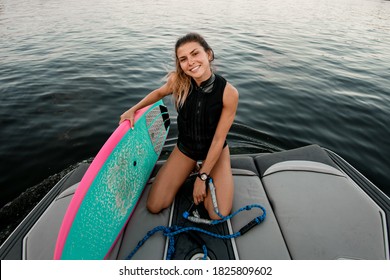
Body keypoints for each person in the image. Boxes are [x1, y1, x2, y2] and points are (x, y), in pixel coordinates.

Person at [119, 33, 239, 220]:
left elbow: (218, 140)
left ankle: (206, 170)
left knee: (217, 214)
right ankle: (191, 165)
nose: (190, 62)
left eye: (195, 54)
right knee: (154, 205)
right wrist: (132, 110)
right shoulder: (179, 82)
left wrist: (202, 178)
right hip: (186, 149)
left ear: (208, 54)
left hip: (215, 150)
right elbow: (158, 93)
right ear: (180, 64)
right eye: (183, 59)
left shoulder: (228, 93)